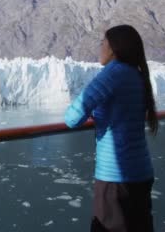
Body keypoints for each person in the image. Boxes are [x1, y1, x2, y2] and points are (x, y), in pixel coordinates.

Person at [64, 24, 157, 232]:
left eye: (102, 42)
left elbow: (72, 118)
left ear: (113, 47)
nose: (100, 47)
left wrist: (91, 109)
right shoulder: (136, 74)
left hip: (116, 179)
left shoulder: (113, 73)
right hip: (141, 173)